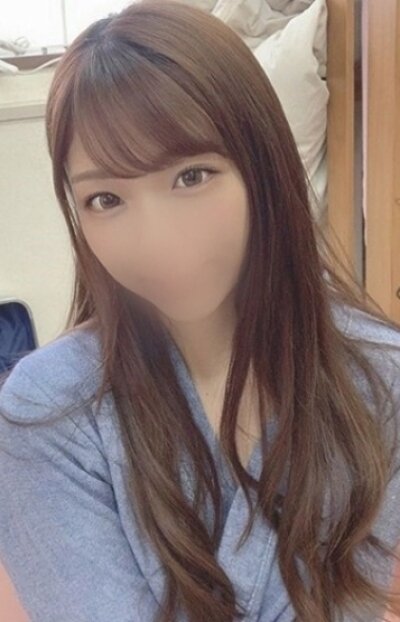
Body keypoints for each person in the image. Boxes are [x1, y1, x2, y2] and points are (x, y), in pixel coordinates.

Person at [0, 2, 399, 621]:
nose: (158, 241)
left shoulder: (379, 377)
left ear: (262, 166)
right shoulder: (49, 411)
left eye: (192, 176)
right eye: (106, 199)